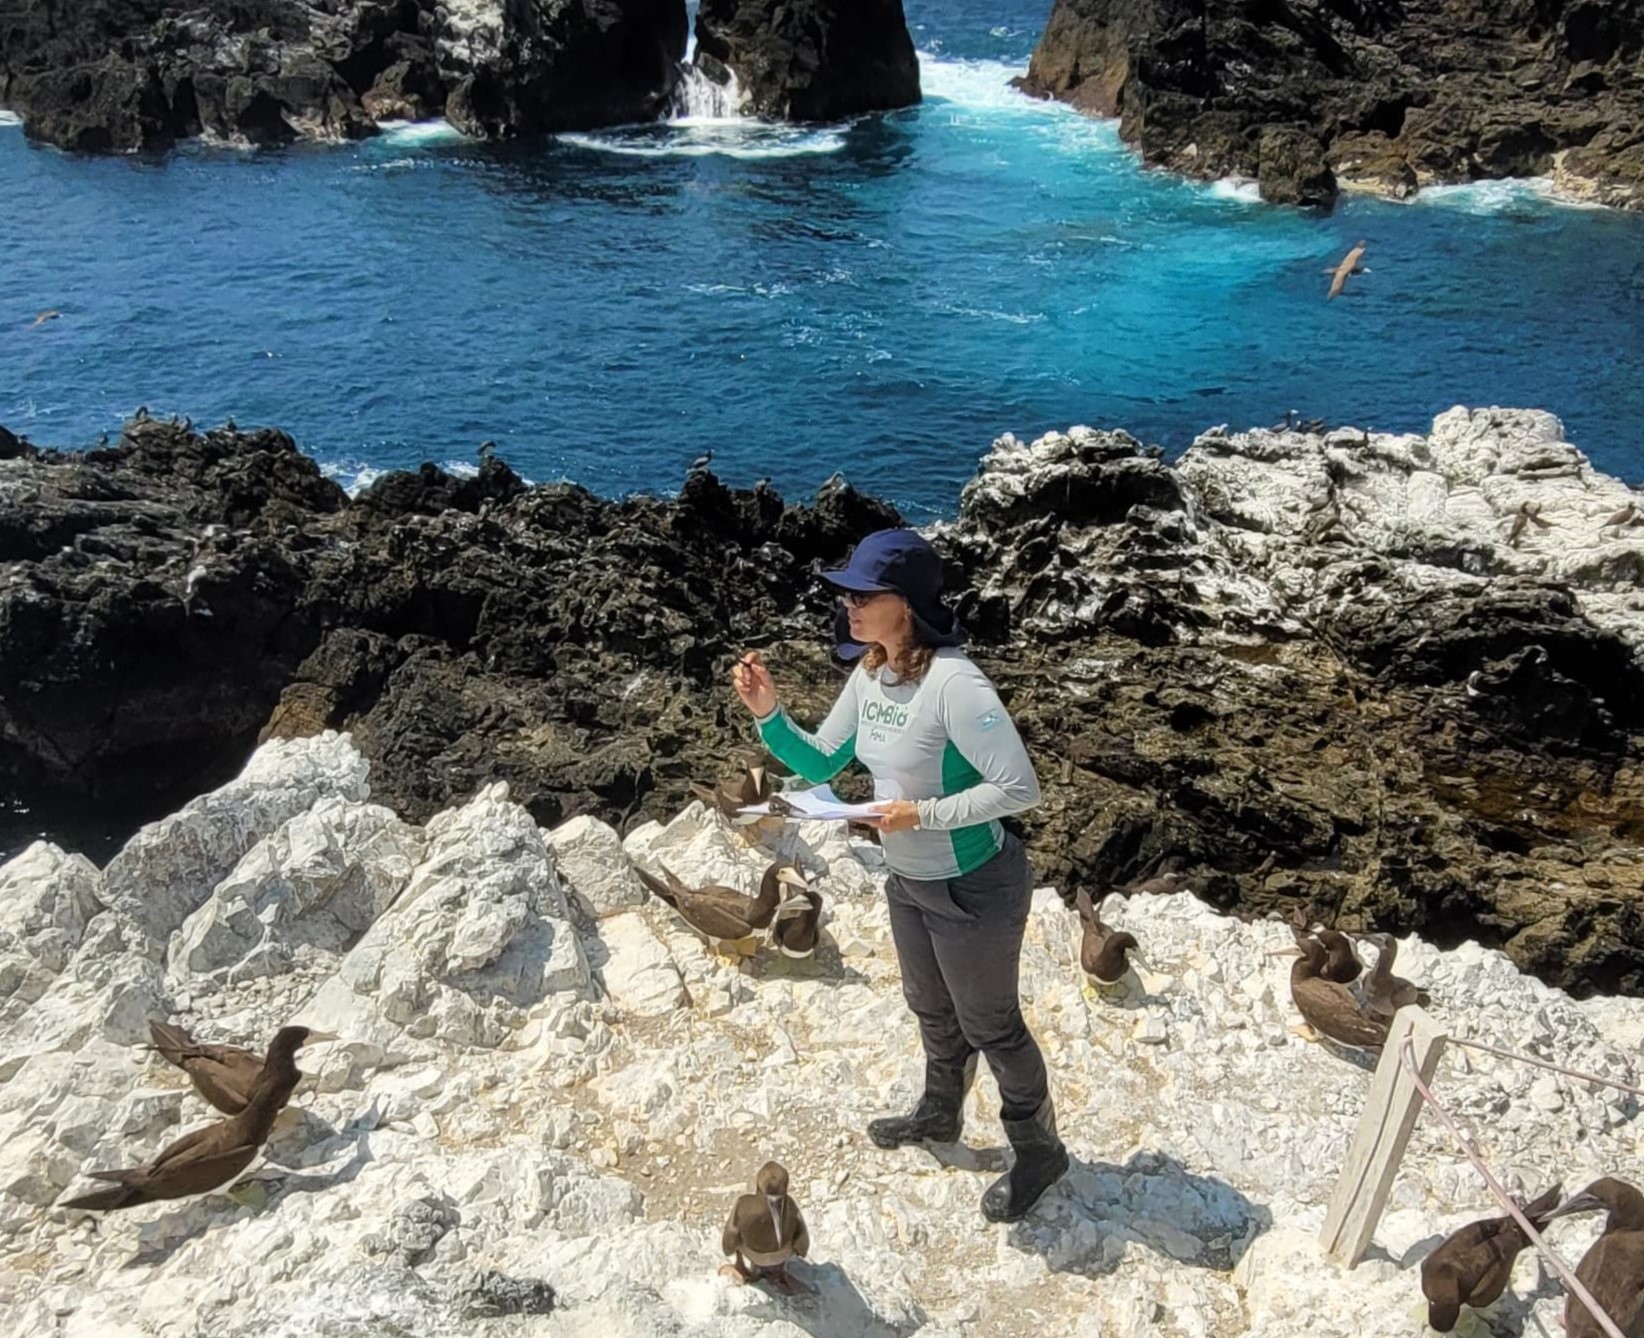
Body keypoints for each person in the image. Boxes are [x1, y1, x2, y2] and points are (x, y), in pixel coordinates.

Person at [731, 527, 1068, 1222]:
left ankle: (1039, 1151)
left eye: (863, 595)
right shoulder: (872, 672)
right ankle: (940, 1112)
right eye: (847, 595)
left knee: (992, 1026)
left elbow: (1019, 788)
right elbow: (824, 760)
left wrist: (924, 814)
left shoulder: (955, 684)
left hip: (974, 885)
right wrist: (769, 713)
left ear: (906, 604)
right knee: (930, 1007)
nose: (848, 605)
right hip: (908, 880)